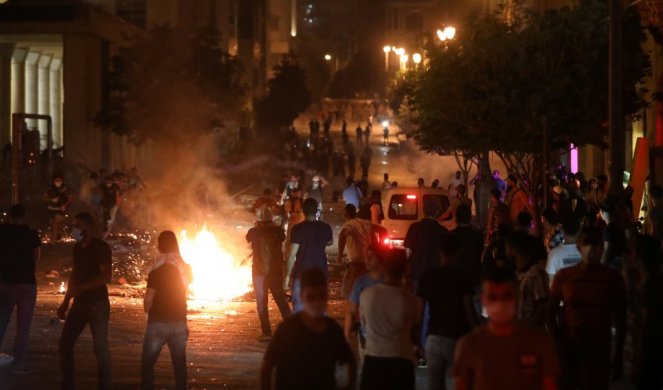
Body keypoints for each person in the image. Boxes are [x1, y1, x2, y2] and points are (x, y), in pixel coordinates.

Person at [546, 227, 627, 389]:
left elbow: (621, 319)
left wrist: (618, 356)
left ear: (602, 247)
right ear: (578, 246)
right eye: (586, 242)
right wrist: (557, 344)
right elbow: (549, 312)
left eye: (595, 243)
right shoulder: (564, 276)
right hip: (570, 349)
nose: (591, 247)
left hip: (599, 352)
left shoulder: (613, 278)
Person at [453, 267, 559, 390]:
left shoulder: (539, 342)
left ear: (517, 296)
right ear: (482, 300)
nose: (500, 303)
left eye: (506, 296)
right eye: (493, 297)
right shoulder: (469, 346)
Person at [261, 267, 356, 390]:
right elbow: (267, 367)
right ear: (301, 296)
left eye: (321, 296)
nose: (316, 302)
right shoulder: (287, 330)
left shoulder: (332, 330)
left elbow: (350, 361)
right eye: (311, 296)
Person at [57, 213, 113, 390]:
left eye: (78, 225)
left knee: (100, 348)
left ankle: (105, 385)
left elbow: (106, 277)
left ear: (88, 227)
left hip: (97, 303)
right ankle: (68, 384)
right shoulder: (78, 248)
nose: (75, 229)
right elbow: (75, 275)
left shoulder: (101, 248)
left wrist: (83, 288)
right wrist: (66, 302)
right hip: (79, 304)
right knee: (65, 343)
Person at [417, 238, 479, 390]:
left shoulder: (427, 276)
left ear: (438, 251)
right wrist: (478, 333)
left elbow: (419, 310)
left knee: (434, 384)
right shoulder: (463, 277)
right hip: (458, 338)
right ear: (457, 253)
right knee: (461, 382)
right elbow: (469, 309)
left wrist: (417, 338)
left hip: (434, 337)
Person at [359, 250, 421, 390]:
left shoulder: (367, 295)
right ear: (406, 269)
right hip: (402, 360)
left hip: (373, 358)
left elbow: (364, 326)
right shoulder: (414, 302)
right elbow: (415, 333)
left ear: (383, 268)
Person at [141, 231, 192, 390]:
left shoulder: (156, 271)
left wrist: (148, 312)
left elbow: (148, 301)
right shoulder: (185, 269)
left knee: (147, 363)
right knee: (179, 366)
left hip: (158, 323)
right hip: (179, 323)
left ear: (161, 246)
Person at [0, 205, 41, 373]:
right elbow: (36, 258)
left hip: (4, 283)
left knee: (1, 323)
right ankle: (18, 364)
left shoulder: (1, 231)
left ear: (9, 216)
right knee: (23, 328)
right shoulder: (31, 234)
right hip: (26, 285)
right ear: (24, 216)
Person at [247, 207, 293, 340]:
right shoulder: (278, 231)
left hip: (259, 273)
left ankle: (266, 332)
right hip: (276, 271)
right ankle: (292, 328)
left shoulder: (253, 232)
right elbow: (283, 239)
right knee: (280, 300)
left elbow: (248, 240)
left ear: (258, 220)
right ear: (271, 219)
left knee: (262, 303)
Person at [285, 199, 333, 312]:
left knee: (299, 312)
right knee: (320, 311)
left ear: (303, 211)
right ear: (317, 211)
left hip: (301, 275)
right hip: (320, 274)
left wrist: (287, 277)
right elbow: (330, 242)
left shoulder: (297, 229)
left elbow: (292, 256)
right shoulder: (325, 227)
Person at [344, 245, 384, 362]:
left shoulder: (389, 280)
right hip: (366, 338)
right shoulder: (360, 282)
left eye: (371, 257)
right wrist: (346, 336)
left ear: (381, 258)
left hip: (387, 339)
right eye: (366, 257)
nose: (366, 260)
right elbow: (351, 311)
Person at [635, 235, 663, 389]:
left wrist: (639, 359)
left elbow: (647, 326)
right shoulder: (655, 280)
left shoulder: (650, 285)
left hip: (653, 353)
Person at [404, 197, 448, 288]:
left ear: (423, 210)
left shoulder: (414, 227)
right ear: (437, 212)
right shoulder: (442, 230)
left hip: (417, 271)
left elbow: (407, 249)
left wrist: (410, 263)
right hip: (435, 273)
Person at [507, 232, 549, 326]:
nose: (506, 252)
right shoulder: (519, 273)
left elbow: (543, 305)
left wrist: (530, 329)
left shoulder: (535, 273)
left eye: (508, 248)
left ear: (515, 249)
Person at [338, 205, 374, 298]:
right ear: (356, 213)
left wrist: (340, 255)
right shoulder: (366, 223)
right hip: (369, 263)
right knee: (366, 291)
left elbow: (342, 236)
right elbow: (382, 230)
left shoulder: (348, 224)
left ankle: (354, 310)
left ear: (345, 214)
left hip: (356, 264)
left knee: (350, 292)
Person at [451, 205, 484, 291]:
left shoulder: (451, 235)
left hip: (456, 279)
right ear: (470, 217)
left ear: (456, 218)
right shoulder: (478, 235)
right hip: (473, 278)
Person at [545, 218, 582, 282]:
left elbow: (551, 280)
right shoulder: (585, 251)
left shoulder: (554, 253)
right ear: (579, 232)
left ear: (563, 232)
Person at [44, 174, 73, 242]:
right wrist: (50, 200)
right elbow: (44, 198)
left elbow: (71, 199)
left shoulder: (65, 189)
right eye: (56, 180)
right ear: (53, 181)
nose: (58, 182)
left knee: (55, 223)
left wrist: (64, 205)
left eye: (59, 180)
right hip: (51, 209)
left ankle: (52, 242)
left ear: (62, 180)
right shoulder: (50, 188)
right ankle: (58, 237)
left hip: (61, 210)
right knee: (53, 225)